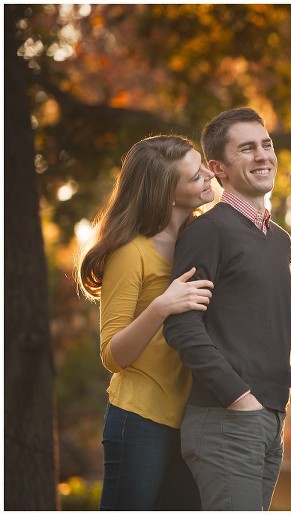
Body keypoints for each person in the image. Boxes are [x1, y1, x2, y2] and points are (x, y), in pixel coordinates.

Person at [163, 107, 291, 511]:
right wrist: (239, 397)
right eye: (247, 148)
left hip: (270, 419)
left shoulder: (280, 239)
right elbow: (182, 326)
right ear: (218, 168)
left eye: (266, 145)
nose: (262, 156)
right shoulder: (208, 230)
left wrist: (267, 408)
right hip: (226, 418)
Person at [75, 134, 215, 510]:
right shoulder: (130, 252)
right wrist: (161, 306)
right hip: (139, 419)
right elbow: (112, 355)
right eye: (195, 175)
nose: (208, 175)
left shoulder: (199, 239)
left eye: (202, 166)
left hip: (191, 418)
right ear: (168, 194)